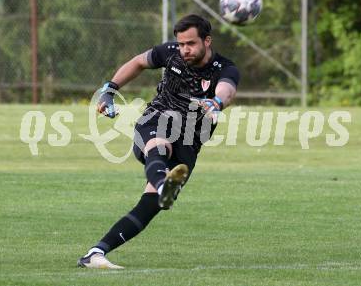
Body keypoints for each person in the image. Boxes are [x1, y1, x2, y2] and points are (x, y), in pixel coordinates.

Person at [77, 14, 240, 269]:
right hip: (156, 120)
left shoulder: (224, 68)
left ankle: (95, 253)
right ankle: (164, 183)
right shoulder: (170, 53)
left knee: (150, 205)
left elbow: (227, 90)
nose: (185, 49)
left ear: (207, 41)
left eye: (191, 43)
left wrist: (216, 102)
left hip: (190, 141)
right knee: (160, 145)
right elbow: (138, 62)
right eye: (182, 43)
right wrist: (109, 89)